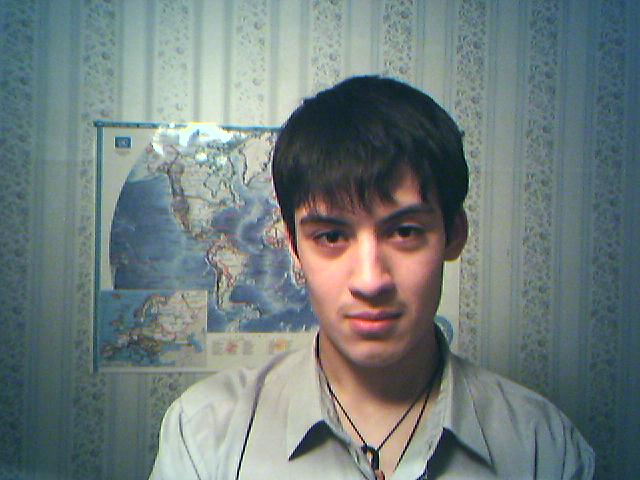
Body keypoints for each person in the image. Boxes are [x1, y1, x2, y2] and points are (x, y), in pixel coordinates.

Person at [150, 76, 594, 479]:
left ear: (454, 235)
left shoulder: (543, 446)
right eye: (331, 236)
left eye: (405, 232)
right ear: (294, 247)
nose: (370, 281)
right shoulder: (205, 433)